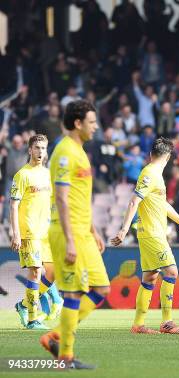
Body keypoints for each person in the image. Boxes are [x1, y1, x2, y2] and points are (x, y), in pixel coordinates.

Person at [40, 100, 110, 369]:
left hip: (83, 232)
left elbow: (81, 197)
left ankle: (55, 335)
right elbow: (62, 197)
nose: (96, 127)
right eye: (92, 122)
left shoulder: (80, 151)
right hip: (67, 232)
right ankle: (65, 356)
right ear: (78, 123)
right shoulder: (65, 152)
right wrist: (71, 238)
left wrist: (94, 230)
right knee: (73, 294)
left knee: (101, 288)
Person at [111, 137, 179, 335]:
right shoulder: (150, 174)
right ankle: (167, 322)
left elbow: (163, 204)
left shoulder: (156, 176)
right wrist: (124, 229)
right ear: (168, 157)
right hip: (152, 234)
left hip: (152, 233)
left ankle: (138, 325)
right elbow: (134, 201)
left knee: (150, 277)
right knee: (172, 272)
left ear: (151, 154)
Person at [11, 134, 62, 330]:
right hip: (29, 232)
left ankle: (23, 305)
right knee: (36, 272)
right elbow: (13, 206)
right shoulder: (22, 175)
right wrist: (16, 233)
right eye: (37, 148)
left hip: (46, 233)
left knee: (54, 272)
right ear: (30, 150)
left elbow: (53, 204)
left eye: (44, 148)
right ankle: (33, 319)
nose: (41, 152)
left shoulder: (48, 174)